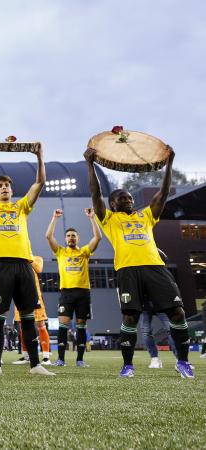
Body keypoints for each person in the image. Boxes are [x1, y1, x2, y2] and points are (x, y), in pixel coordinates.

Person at [85, 147, 193, 378]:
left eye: (130, 197)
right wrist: (90, 164)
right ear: (113, 204)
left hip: (155, 268)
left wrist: (169, 165)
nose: (128, 200)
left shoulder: (145, 216)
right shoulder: (110, 219)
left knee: (178, 313)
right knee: (130, 318)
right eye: (122, 198)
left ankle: (183, 362)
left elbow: (162, 195)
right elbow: (95, 195)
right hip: (127, 270)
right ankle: (128, 365)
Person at [0, 141, 54, 376]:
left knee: (27, 316)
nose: (4, 188)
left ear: (12, 191)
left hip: (24, 265)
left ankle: (35, 365)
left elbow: (40, 182)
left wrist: (40, 156)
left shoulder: (22, 207)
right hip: (0, 265)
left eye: (7, 186)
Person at [46, 208, 101, 367]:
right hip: (66, 293)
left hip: (83, 293)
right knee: (63, 325)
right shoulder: (61, 252)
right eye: (68, 236)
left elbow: (98, 237)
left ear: (78, 238)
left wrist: (92, 218)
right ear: (65, 239)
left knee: (81, 326)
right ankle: (61, 359)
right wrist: (54, 218)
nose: (71, 238)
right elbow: (48, 236)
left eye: (73, 236)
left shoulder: (84, 252)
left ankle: (80, 360)